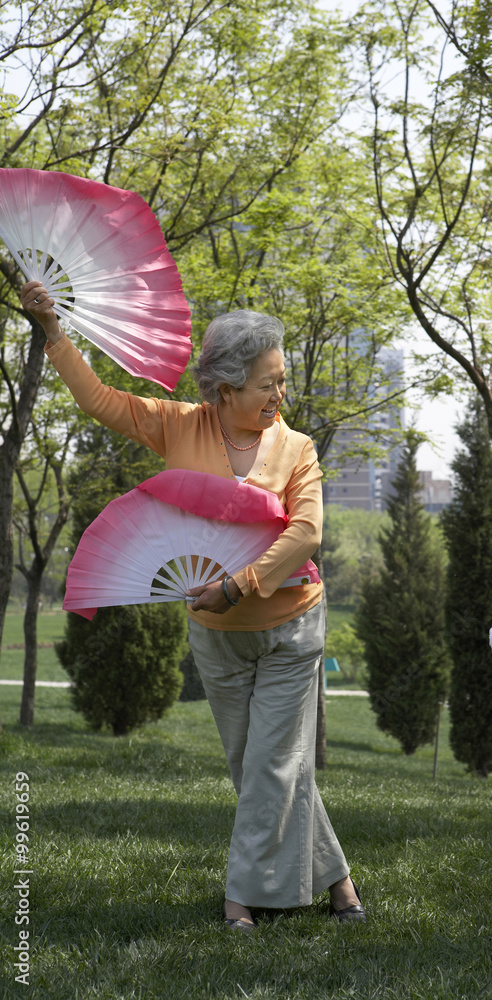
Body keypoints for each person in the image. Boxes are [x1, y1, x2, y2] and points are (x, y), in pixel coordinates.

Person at [21, 279, 365, 932]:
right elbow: (99, 401)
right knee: (259, 766)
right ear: (225, 389)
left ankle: (240, 900)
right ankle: (340, 884)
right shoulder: (181, 426)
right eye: (267, 383)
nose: (280, 394)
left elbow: (308, 533)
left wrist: (238, 584)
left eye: (282, 380)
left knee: (270, 764)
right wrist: (53, 331)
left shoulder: (296, 449)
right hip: (217, 638)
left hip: (291, 630)